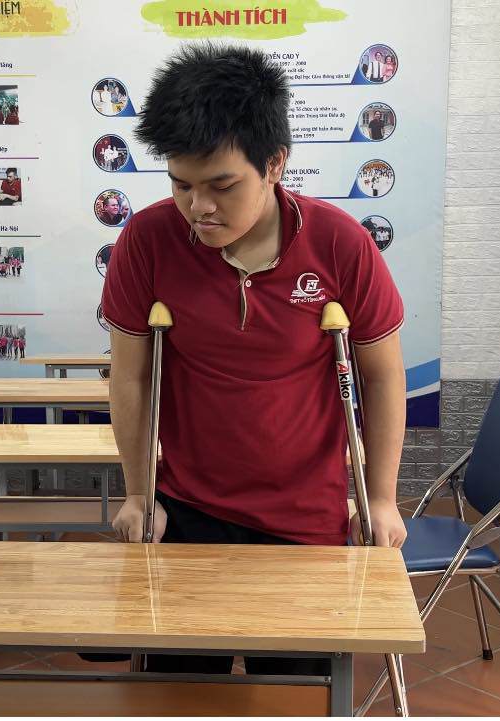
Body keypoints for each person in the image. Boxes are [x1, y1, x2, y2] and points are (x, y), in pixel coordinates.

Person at [101, 44, 407, 677]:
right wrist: (137, 491)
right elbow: (130, 376)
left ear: (275, 164)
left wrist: (380, 498)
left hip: (305, 519)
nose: (199, 207)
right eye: (181, 185)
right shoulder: (149, 241)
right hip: (188, 509)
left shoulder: (340, 245)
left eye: (221, 186)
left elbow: (381, 378)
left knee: (292, 694)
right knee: (181, 695)